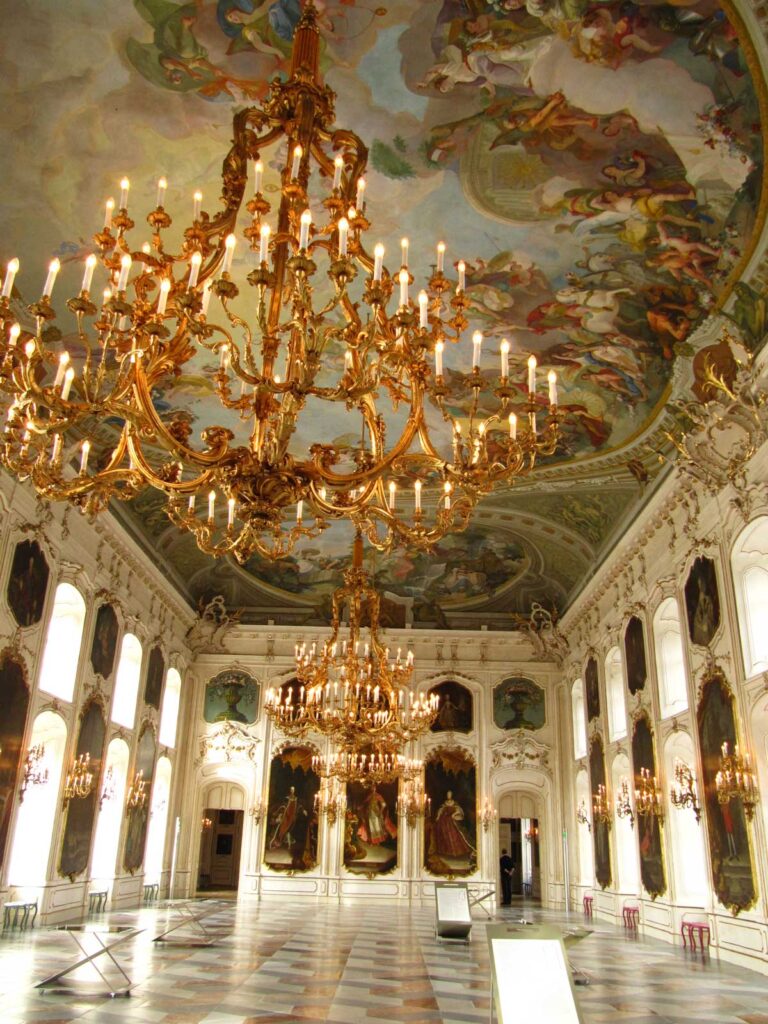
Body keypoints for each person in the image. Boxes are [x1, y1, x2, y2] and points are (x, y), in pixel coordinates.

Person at [432, 790, 475, 858]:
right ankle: (446, 851)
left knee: (454, 833)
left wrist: (454, 814)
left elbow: (459, 810)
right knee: (442, 832)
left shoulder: (454, 803)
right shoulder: (445, 803)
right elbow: (440, 810)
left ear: (451, 795)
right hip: (443, 820)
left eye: (449, 794)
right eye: (447, 794)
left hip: (451, 820)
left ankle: (456, 851)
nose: (448, 795)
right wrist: (438, 817)